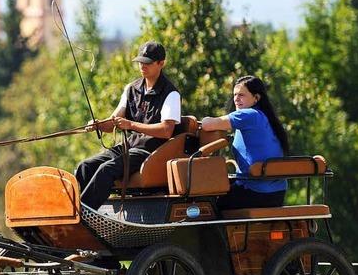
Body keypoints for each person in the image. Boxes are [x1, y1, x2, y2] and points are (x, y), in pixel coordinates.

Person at [75, 41, 181, 210]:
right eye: (140, 61)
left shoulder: (170, 94)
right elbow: (113, 123)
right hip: (128, 147)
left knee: (106, 169)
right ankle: (76, 210)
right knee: (85, 166)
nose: (142, 66)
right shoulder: (131, 89)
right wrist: (98, 125)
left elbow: (166, 131)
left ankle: (83, 215)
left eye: (147, 62)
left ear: (161, 63)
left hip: (149, 151)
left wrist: (131, 124)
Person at [201, 75, 289, 210]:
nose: (236, 99)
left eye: (241, 95)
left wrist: (202, 120)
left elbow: (208, 125)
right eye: (235, 95)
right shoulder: (267, 117)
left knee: (207, 207)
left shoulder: (248, 115)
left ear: (256, 98)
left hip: (254, 191)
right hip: (277, 193)